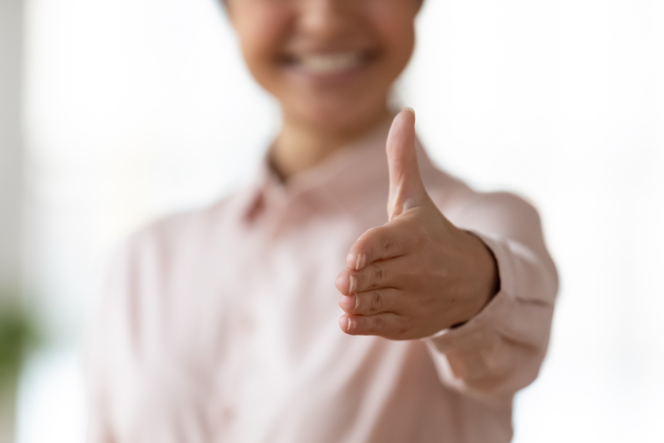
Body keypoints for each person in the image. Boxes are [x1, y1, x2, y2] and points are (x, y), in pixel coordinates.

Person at [85, 0, 559, 442]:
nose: (324, 18)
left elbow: (507, 334)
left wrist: (466, 284)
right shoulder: (143, 262)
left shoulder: (481, 223)